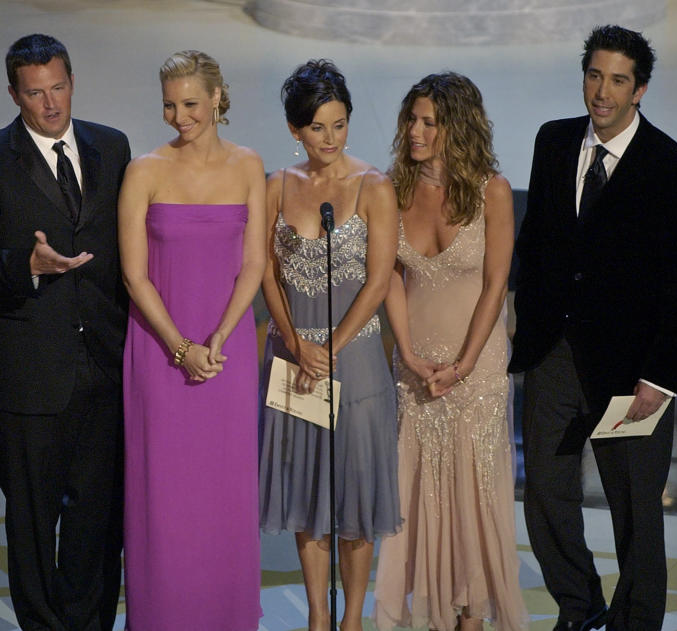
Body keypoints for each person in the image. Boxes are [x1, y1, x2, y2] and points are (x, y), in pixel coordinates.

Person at [509, 25, 677, 631]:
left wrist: (660, 378)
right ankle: (579, 604)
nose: (602, 91)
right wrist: (526, 329)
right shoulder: (553, 141)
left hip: (633, 372)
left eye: (617, 80)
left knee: (635, 509)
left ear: (640, 90)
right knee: (545, 494)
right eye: (594, 75)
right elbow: (538, 243)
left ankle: (637, 620)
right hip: (553, 356)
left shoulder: (674, 168)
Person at [0, 34, 130, 631]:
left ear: (71, 81)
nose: (50, 103)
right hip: (28, 379)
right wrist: (24, 266)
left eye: (58, 87)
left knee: (98, 521)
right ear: (13, 94)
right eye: (35, 93)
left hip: (104, 366)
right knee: (31, 524)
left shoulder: (112, 146)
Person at [372, 72, 527, 631]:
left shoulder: (493, 191)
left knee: (474, 507)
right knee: (419, 505)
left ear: (456, 128)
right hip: (415, 371)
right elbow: (388, 275)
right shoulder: (392, 189)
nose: (414, 131)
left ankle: (471, 620)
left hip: (475, 370)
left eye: (428, 122)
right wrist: (409, 355)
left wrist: (462, 366)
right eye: (411, 119)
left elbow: (495, 284)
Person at [118, 49, 266, 631]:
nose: (179, 116)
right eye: (170, 105)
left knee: (223, 499)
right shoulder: (144, 171)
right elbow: (134, 275)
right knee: (166, 502)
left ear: (218, 99)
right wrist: (182, 348)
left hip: (227, 357)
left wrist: (220, 340)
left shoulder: (250, 165)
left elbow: (253, 264)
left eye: (191, 104)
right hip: (159, 353)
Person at [258, 59, 400, 631]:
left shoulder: (374, 186)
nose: (330, 138)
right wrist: (295, 343)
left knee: (356, 500)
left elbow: (380, 278)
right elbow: (263, 270)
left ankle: (353, 620)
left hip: (356, 360)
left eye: (339, 125)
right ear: (295, 129)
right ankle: (318, 617)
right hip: (294, 361)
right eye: (317, 127)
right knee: (306, 496)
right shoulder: (276, 185)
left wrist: (333, 347)